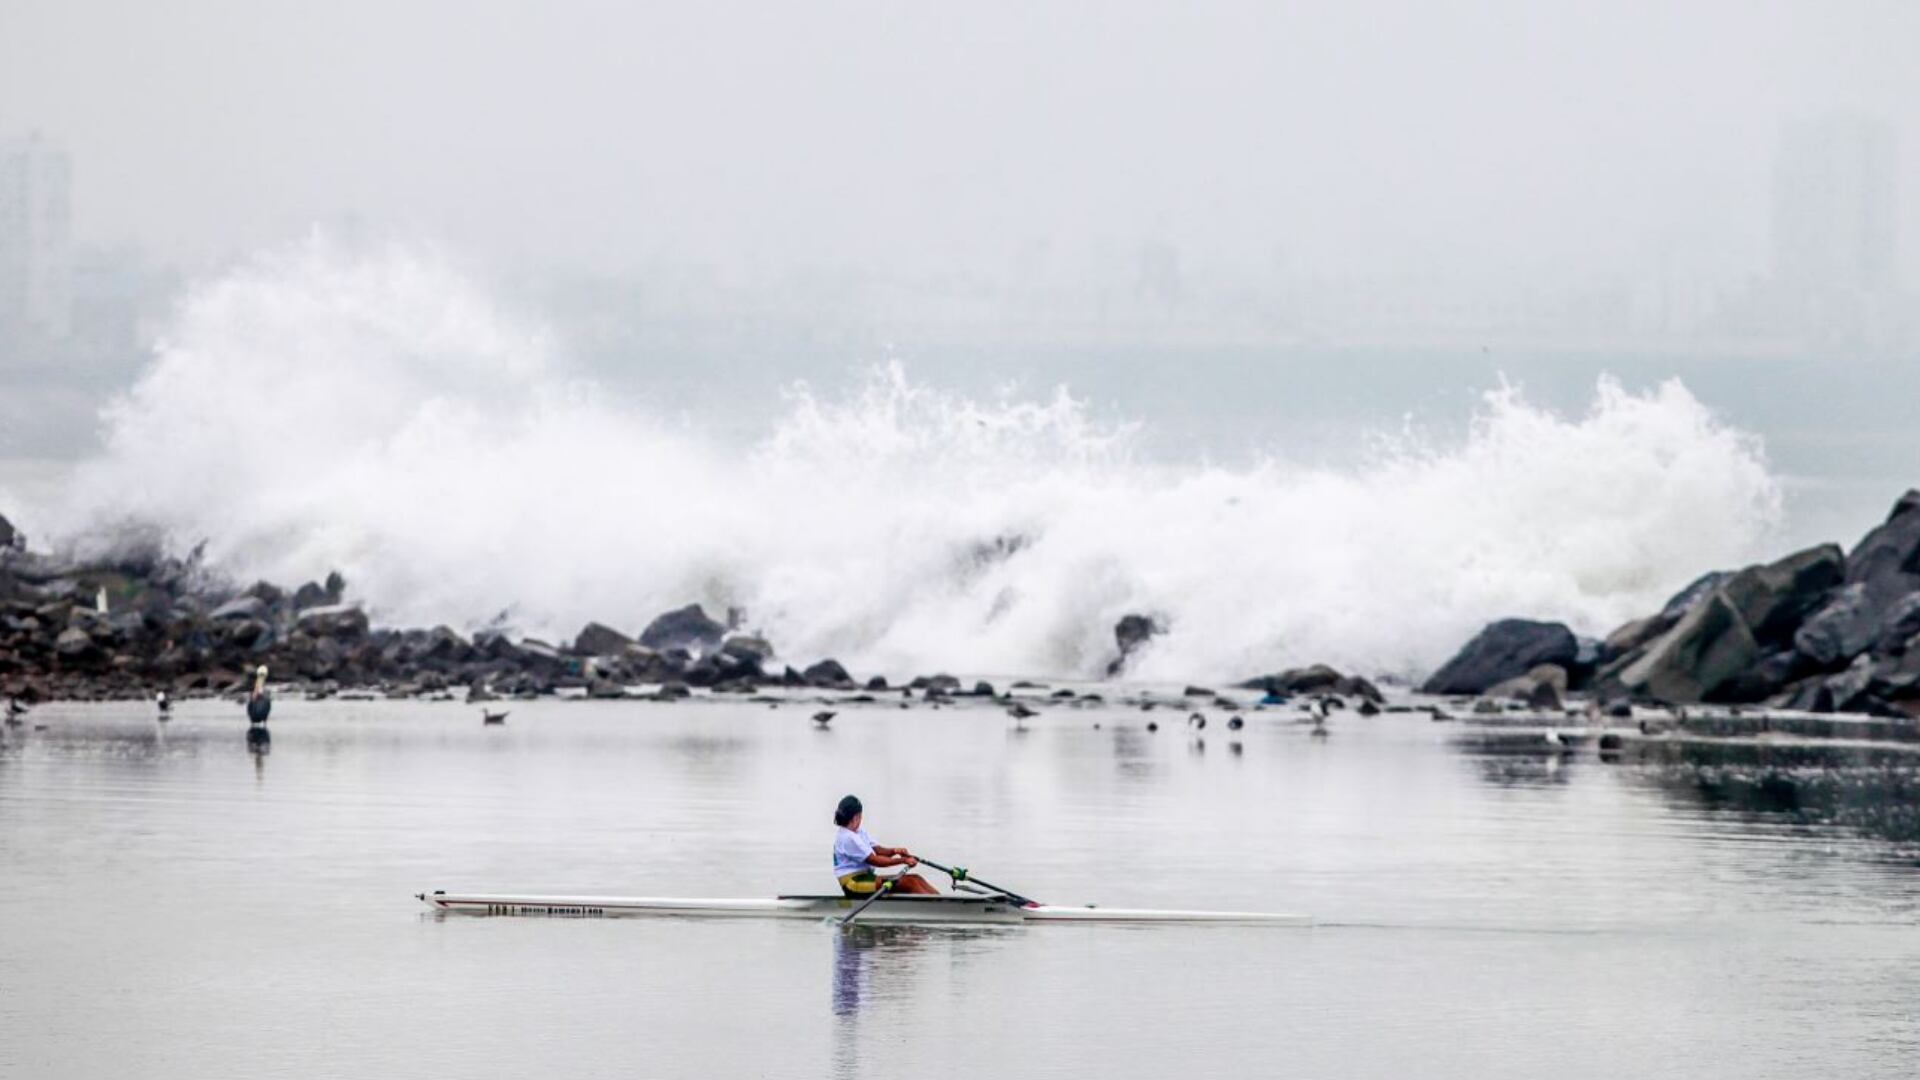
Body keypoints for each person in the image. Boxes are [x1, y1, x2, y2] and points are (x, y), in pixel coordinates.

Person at [832, 795, 939, 896]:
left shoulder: (858, 831)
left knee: (916, 878)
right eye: (860, 816)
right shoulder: (847, 838)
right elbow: (875, 860)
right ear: (856, 817)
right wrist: (903, 861)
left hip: (866, 877)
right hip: (853, 883)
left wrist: (895, 851)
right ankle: (938, 910)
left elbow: (877, 850)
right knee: (910, 883)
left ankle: (942, 902)